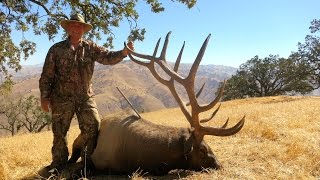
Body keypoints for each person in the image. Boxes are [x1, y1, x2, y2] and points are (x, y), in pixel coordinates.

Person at [39, 13, 134, 171]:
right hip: (61, 98)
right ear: (68, 28)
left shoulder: (91, 47)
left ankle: (85, 163)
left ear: (83, 29)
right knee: (60, 133)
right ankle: (58, 165)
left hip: (85, 97)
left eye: (79, 26)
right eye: (73, 25)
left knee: (94, 125)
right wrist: (44, 97)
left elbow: (108, 57)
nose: (76, 28)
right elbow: (46, 75)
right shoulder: (56, 49)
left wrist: (123, 52)